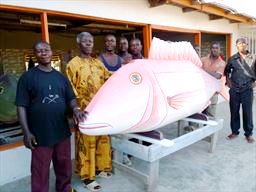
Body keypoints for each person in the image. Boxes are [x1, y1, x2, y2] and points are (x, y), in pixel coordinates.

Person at [15, 41, 85, 192]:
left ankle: (64, 189)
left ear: (51, 52)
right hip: (40, 134)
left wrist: (76, 109)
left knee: (64, 164)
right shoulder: (27, 78)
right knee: (40, 169)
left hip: (62, 130)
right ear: (35, 54)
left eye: (46, 49)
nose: (44, 53)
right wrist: (26, 133)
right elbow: (21, 106)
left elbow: (70, 97)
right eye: (39, 51)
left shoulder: (61, 77)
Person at [66, 32, 112, 192]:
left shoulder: (98, 63)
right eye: (85, 41)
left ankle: (99, 169)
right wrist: (75, 109)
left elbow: (109, 79)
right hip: (83, 112)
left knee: (102, 140)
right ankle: (87, 177)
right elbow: (69, 89)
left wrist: (126, 72)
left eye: (90, 41)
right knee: (86, 144)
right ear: (78, 44)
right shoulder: (72, 64)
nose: (88, 44)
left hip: (100, 110)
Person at [184, 42, 225, 131]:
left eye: (216, 48)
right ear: (210, 49)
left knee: (210, 114)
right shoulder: (203, 59)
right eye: (213, 47)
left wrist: (202, 71)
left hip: (213, 93)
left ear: (219, 49)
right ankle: (193, 128)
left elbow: (217, 76)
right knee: (197, 110)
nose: (214, 49)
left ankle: (209, 132)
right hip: (201, 91)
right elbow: (194, 69)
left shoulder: (222, 63)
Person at [224, 37, 256, 143]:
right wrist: (229, 82)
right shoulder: (232, 58)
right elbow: (227, 71)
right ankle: (234, 132)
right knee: (234, 112)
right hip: (234, 90)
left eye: (244, 43)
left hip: (247, 89)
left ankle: (248, 134)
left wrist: (254, 83)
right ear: (236, 45)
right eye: (240, 43)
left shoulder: (253, 58)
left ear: (247, 45)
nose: (242, 45)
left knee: (247, 113)